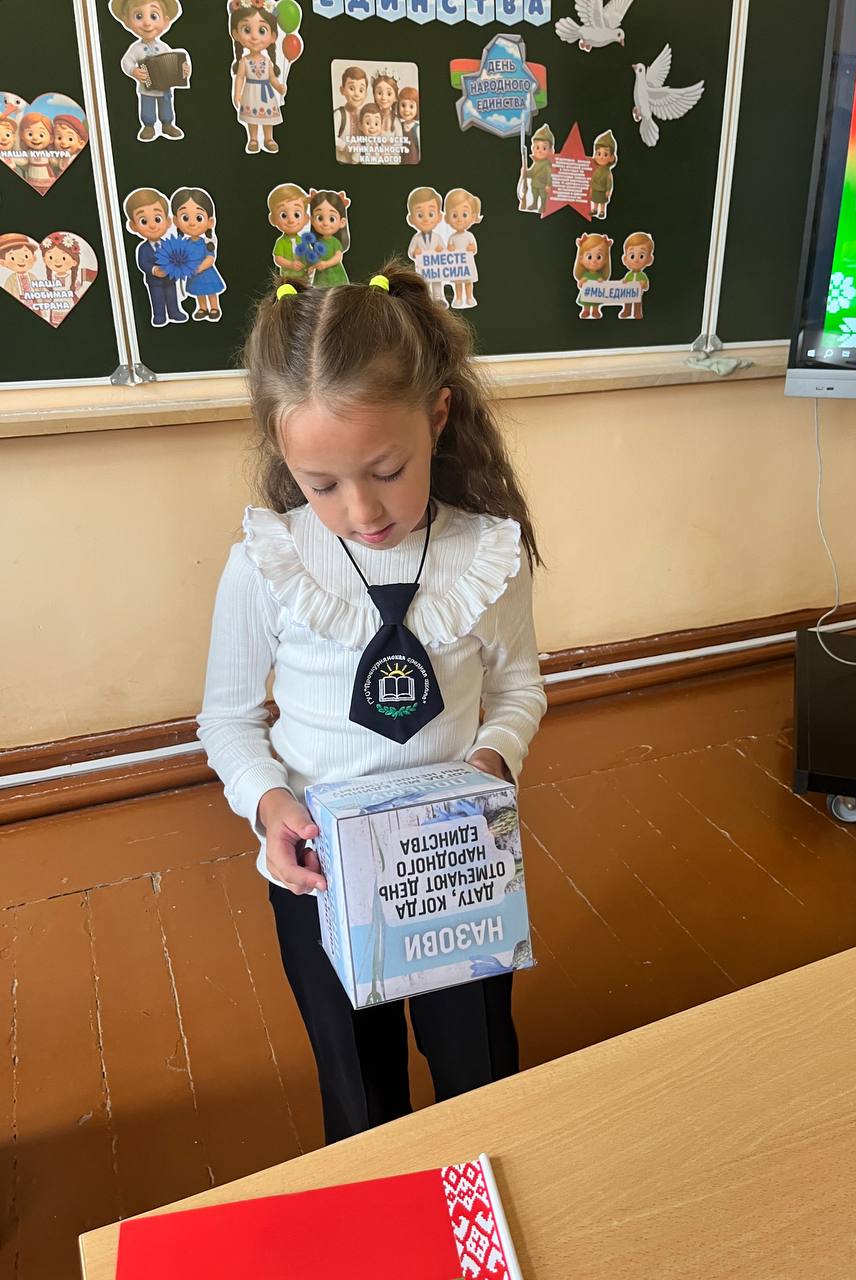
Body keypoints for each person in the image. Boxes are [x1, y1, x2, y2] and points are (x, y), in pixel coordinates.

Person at [197, 263, 547, 1145]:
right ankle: (382, 1201)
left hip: (452, 865)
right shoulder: (269, 562)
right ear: (283, 456)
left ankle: (484, 1200)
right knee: (358, 1091)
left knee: (480, 1070)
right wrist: (269, 805)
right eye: (321, 484)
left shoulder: (484, 555)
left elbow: (517, 687)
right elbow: (228, 719)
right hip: (318, 873)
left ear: (438, 416)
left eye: (388, 470)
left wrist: (492, 759)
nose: (361, 510)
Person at [110, 0, 189, 142]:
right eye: (139, 16)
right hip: (147, 87)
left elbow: (174, 63)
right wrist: (133, 70)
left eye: (154, 16)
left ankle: (167, 124)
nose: (147, 23)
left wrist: (183, 70)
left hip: (164, 87)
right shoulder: (136, 48)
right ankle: (148, 126)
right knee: (148, 107)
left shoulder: (164, 47)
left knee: (166, 106)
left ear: (165, 22)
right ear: (127, 22)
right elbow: (126, 61)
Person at [123, 186, 188, 326]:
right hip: (154, 282)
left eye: (157, 219)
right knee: (157, 298)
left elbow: (176, 258)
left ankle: (174, 312)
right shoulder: (143, 248)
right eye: (144, 221)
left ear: (168, 222)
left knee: (172, 296)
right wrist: (154, 270)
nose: (152, 226)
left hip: (170, 279)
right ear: (133, 226)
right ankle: (159, 315)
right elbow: (143, 263)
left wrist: (177, 266)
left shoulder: (168, 244)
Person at [230, 1, 286, 154]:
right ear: (236, 34)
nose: (254, 37)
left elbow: (272, 79)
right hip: (250, 93)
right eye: (247, 30)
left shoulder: (267, 62)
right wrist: (237, 93)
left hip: (266, 95)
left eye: (262, 30)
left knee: (268, 119)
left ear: (273, 36)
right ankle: (253, 139)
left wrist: (279, 87)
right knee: (252, 119)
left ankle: (269, 138)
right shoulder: (244, 61)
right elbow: (240, 78)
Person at [172, 186, 227, 320]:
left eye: (198, 217)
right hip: (193, 274)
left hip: (206, 273)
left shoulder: (206, 243)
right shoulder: (184, 244)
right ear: (176, 221)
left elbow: (210, 258)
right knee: (199, 292)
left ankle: (214, 307)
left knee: (211, 291)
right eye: (185, 217)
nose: (192, 223)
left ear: (210, 222)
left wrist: (200, 267)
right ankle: (203, 308)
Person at [308, 189, 350, 287]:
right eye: (320, 218)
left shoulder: (335, 242)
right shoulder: (318, 243)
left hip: (335, 276)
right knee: (320, 292)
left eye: (332, 219)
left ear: (342, 222)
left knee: (336, 292)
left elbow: (338, 257)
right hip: (321, 277)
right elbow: (315, 257)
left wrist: (326, 264)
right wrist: (312, 266)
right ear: (312, 221)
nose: (326, 223)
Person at [619, 231, 654, 320]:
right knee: (627, 303)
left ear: (649, 259)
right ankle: (627, 311)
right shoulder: (629, 275)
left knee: (637, 304)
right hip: (628, 294)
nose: (636, 260)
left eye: (641, 256)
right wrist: (623, 282)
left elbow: (646, 286)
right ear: (625, 259)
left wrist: (643, 284)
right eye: (632, 256)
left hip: (637, 294)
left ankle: (637, 313)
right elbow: (625, 281)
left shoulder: (642, 276)